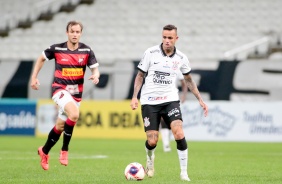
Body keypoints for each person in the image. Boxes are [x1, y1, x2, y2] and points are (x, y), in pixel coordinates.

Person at [130, 24, 208, 181]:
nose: (166, 40)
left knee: (178, 132)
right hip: (149, 102)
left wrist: (200, 99)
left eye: (170, 38)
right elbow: (140, 76)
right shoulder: (150, 53)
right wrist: (134, 97)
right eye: (164, 37)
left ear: (176, 39)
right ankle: (150, 160)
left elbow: (188, 80)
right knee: (152, 140)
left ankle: (184, 173)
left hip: (170, 100)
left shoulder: (181, 58)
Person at [30, 20, 100, 170]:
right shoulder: (57, 48)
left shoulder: (86, 51)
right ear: (67, 33)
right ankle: (64, 150)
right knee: (74, 114)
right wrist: (34, 77)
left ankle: (44, 151)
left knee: (60, 126)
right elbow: (41, 58)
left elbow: (95, 69)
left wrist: (96, 75)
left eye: (77, 32)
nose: (75, 34)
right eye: (72, 31)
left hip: (76, 94)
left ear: (81, 33)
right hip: (59, 89)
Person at [160, 70, 187, 152]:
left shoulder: (176, 68)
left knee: (173, 122)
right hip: (159, 98)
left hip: (173, 98)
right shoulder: (157, 68)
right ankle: (166, 144)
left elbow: (183, 82)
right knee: (162, 119)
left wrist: (184, 95)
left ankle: (168, 141)